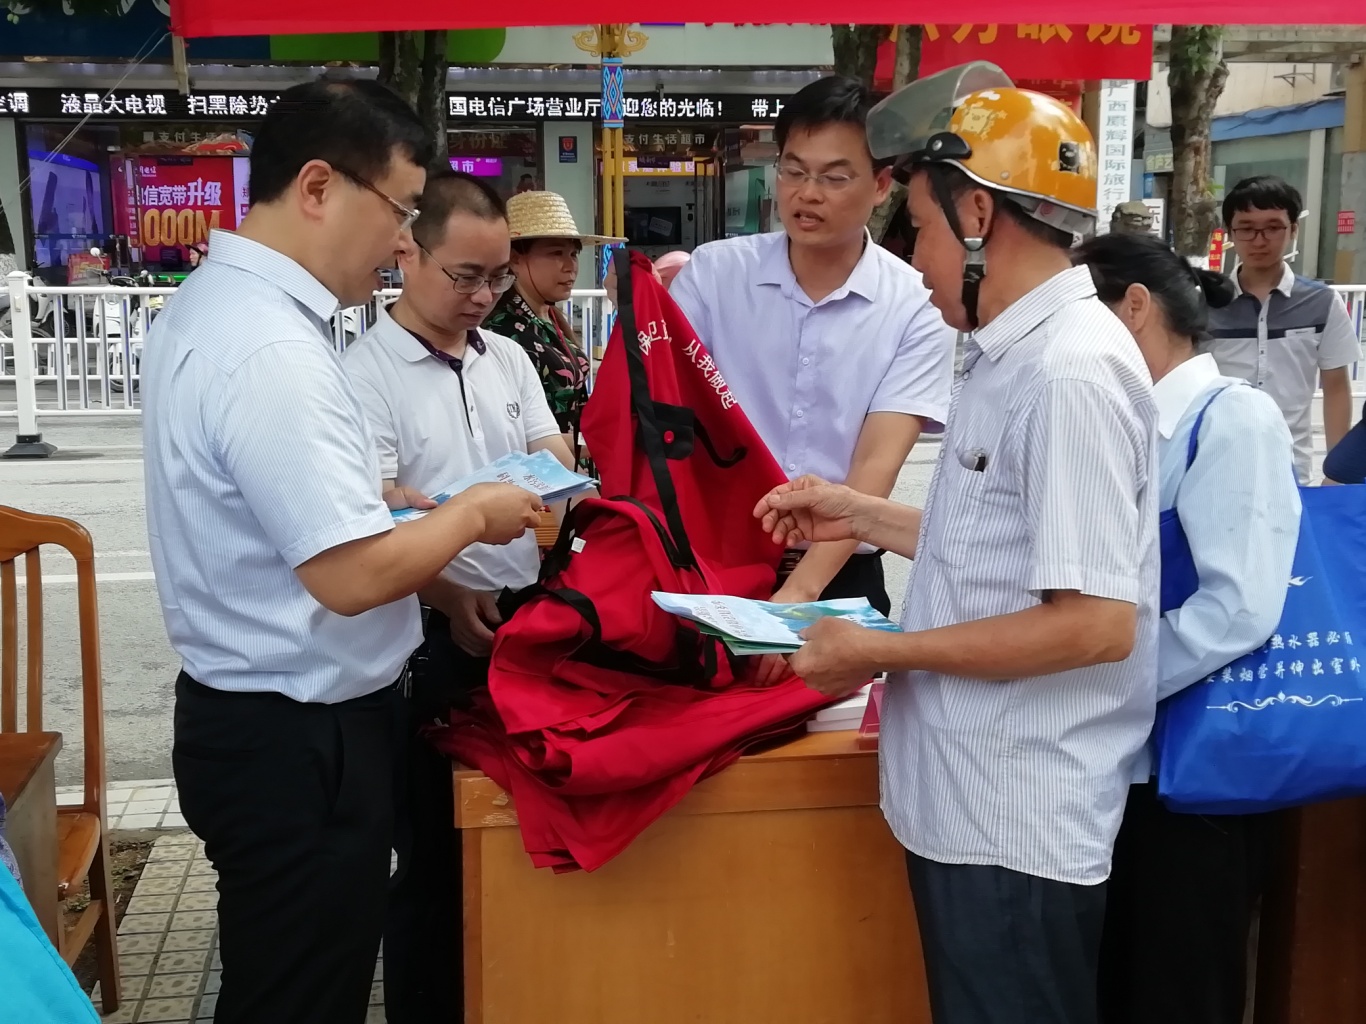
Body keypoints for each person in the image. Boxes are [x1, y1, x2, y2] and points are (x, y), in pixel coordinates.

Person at [755, 68, 1159, 1024]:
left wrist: (877, 651)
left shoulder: (1068, 375)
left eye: (923, 229)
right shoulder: (1004, 351)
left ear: (979, 215)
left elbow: (1096, 624)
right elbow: (1009, 543)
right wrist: (859, 513)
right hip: (970, 803)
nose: (916, 256)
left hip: (1013, 821)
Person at [140, 78, 542, 1024]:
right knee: (299, 994)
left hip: (261, 723)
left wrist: (412, 549)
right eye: (399, 211)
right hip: (298, 737)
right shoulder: (272, 348)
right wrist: (472, 513)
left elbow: (293, 518)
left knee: (291, 978)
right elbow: (350, 575)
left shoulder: (216, 307)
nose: (404, 242)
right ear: (318, 187)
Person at [342, 170, 574, 1024]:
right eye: (465, 276)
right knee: (434, 854)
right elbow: (367, 515)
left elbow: (549, 453)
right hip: (425, 638)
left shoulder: (507, 356)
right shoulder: (364, 374)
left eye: (498, 276)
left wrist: (567, 482)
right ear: (409, 253)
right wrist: (444, 593)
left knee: (514, 837)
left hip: (519, 622)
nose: (483, 296)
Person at [1072, 232, 1300, 1024]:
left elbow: (1237, 607)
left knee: (1179, 990)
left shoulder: (1233, 419)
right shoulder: (1123, 421)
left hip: (1198, 782)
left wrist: (1100, 678)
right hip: (1118, 763)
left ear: (1132, 309)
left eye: (1075, 314)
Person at [669, 75, 955, 633]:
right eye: (794, 171)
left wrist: (799, 593)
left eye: (834, 177)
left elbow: (876, 465)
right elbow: (671, 417)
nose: (807, 193)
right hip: (714, 562)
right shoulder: (714, 275)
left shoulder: (916, 305)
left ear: (880, 185)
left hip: (839, 576)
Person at [1208, 175, 1360, 484]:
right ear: (1230, 233)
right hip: (1214, 467)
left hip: (1292, 468)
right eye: (1247, 228)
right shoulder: (1207, 303)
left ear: (1293, 230)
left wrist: (1337, 475)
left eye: (1273, 227)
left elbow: (1335, 387)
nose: (1259, 240)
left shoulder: (1322, 302)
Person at [483, 191, 623, 464]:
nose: (570, 266)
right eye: (556, 253)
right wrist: (603, 443)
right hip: (544, 479)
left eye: (573, 253)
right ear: (515, 258)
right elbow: (519, 434)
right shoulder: (501, 329)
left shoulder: (551, 317)